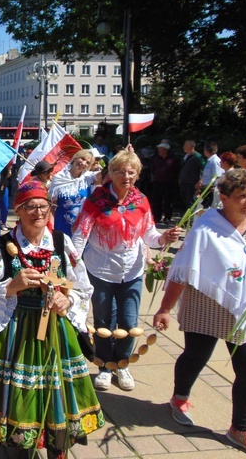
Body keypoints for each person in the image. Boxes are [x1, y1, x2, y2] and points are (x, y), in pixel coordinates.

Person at [0, 181, 104, 458]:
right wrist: (11, 286)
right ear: (19, 210)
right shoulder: (3, 245)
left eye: (43, 206)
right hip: (15, 332)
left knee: (56, 387)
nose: (38, 212)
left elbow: (83, 287)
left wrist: (67, 300)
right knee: (21, 391)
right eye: (30, 206)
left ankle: (57, 443)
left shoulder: (62, 243)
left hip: (56, 328)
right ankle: (21, 441)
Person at [153, 170, 246, 459]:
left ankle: (240, 428)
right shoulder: (206, 227)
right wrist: (165, 309)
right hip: (206, 304)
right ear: (223, 198)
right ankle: (179, 398)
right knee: (196, 356)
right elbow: (183, 270)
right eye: (241, 197)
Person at [72, 150, 182, 391]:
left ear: (138, 175)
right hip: (100, 270)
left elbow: (150, 235)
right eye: (120, 171)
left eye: (131, 172)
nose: (126, 176)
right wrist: (70, 267)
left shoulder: (141, 201)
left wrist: (165, 238)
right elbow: (80, 236)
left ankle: (122, 365)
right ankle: (104, 366)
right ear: (110, 173)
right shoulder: (96, 201)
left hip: (132, 272)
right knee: (104, 321)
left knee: (130, 321)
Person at [49, 149, 101, 235]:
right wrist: (51, 228)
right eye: (82, 159)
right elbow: (52, 207)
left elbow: (108, 175)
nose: (83, 163)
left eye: (88, 162)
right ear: (75, 158)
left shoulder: (88, 178)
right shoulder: (59, 178)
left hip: (81, 228)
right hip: (61, 226)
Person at [150, 142, 180, 223]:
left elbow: (176, 170)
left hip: (169, 183)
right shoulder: (156, 158)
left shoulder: (173, 159)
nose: (159, 150)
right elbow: (153, 169)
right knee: (156, 200)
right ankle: (157, 217)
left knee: (168, 201)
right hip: (157, 182)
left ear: (165, 150)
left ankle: (167, 217)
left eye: (160, 149)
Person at [178, 140, 205, 210]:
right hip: (184, 183)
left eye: (185, 145)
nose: (183, 147)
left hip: (192, 184)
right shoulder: (186, 156)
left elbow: (204, 168)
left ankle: (192, 220)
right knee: (186, 203)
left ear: (191, 147)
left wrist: (200, 181)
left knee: (191, 204)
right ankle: (188, 219)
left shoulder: (197, 156)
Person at [197, 141, 224, 208]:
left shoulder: (215, 161)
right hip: (206, 188)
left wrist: (215, 188)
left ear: (206, 151)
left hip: (210, 190)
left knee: (207, 208)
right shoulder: (210, 161)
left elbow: (217, 176)